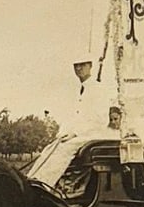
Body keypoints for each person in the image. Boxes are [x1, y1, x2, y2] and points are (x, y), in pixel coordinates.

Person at [27, 56, 111, 189]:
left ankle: (45, 184)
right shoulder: (78, 91)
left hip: (94, 133)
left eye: (82, 65)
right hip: (81, 134)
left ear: (90, 66)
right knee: (52, 146)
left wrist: (75, 133)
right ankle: (32, 179)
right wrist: (63, 133)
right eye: (76, 66)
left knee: (65, 148)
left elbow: (100, 119)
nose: (79, 69)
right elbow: (73, 117)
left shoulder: (99, 89)